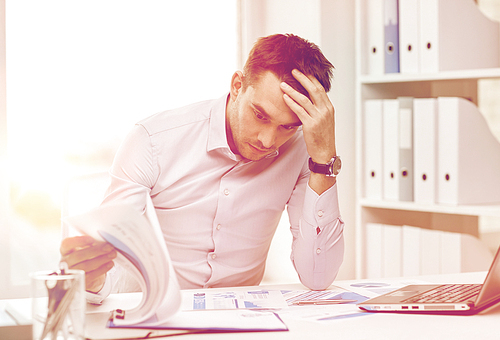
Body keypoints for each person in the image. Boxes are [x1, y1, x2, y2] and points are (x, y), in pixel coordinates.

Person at [60, 33, 345, 303]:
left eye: (287, 127)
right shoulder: (153, 140)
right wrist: (92, 278)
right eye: (259, 115)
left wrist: (323, 161)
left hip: (244, 324)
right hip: (157, 317)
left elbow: (317, 276)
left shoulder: (303, 153)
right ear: (237, 86)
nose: (268, 141)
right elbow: (115, 255)